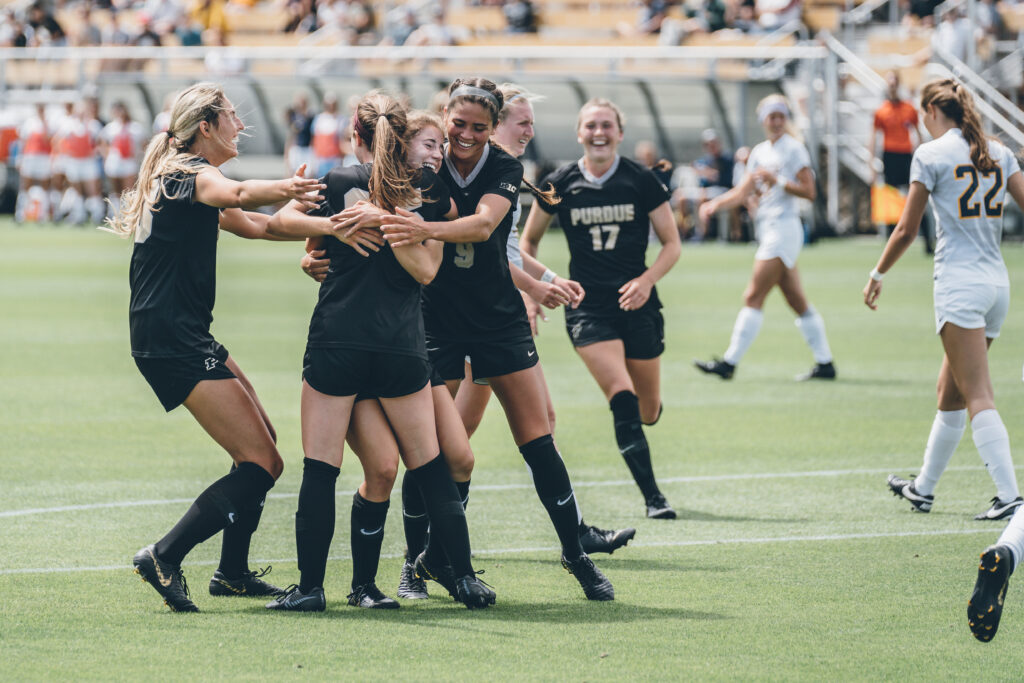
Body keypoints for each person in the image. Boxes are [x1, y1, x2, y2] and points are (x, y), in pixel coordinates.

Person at [379, 77, 616, 601]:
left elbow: (485, 227)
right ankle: (415, 565)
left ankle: (575, 557)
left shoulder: (507, 168)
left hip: (497, 322)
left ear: (492, 129)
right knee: (431, 452)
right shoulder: (424, 165)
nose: (464, 135)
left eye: (478, 128)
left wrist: (426, 230)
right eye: (456, 123)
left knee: (539, 442)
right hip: (434, 324)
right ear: (443, 116)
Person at [265, 92, 495, 612]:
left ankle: (310, 590)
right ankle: (460, 579)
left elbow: (276, 224)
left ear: (356, 134)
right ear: (401, 134)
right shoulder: (426, 188)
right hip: (400, 347)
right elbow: (429, 270)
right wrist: (351, 230)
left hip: (337, 340)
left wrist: (334, 227)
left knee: (321, 470)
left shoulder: (339, 181)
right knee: (430, 466)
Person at [108, 82, 326, 612]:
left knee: (262, 446)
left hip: (180, 333)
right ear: (204, 126)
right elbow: (240, 196)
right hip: (172, 338)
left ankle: (230, 573)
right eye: (232, 116)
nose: (241, 125)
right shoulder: (187, 172)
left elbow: (253, 225)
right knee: (262, 462)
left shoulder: (187, 178)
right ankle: (164, 555)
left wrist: (333, 229)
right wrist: (289, 187)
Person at [857, 79, 1024, 644]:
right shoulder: (998, 150)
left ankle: (1008, 494)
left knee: (977, 392)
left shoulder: (930, 153)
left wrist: (877, 273)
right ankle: (924, 488)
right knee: (950, 390)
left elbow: (906, 228)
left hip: (957, 284)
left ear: (931, 111)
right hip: (997, 283)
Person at [450, 85, 639, 556]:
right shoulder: (486, 172)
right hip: (477, 317)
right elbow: (483, 251)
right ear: (497, 126)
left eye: (532, 122)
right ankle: (435, 547)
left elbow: (507, 250)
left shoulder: (506, 172)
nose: (530, 130)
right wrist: (531, 290)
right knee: (456, 440)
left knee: (531, 424)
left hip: (502, 313)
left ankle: (574, 533)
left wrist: (551, 278)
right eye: (523, 122)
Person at [521, 97, 682, 520]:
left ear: (619, 133)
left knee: (648, 411)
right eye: (591, 125)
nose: (598, 132)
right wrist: (533, 290)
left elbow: (672, 243)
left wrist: (647, 281)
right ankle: (654, 498)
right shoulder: (559, 182)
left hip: (638, 303)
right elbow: (527, 243)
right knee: (622, 396)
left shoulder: (641, 179)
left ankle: (647, 416)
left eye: (606, 125)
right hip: (587, 306)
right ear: (579, 133)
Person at [694, 95, 836, 382]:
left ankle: (729, 363)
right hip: (769, 228)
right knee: (797, 301)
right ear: (763, 120)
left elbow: (809, 192)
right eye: (771, 116)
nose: (776, 121)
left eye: (781, 116)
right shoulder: (760, 152)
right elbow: (742, 191)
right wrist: (714, 205)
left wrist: (779, 181)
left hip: (783, 228)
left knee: (753, 295)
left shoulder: (794, 149)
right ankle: (825, 364)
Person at [870, 71, 931, 252]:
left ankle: (927, 241)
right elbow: (873, 136)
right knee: (890, 199)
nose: (892, 87)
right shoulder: (881, 110)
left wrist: (922, 155)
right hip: (890, 156)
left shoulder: (909, 108)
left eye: (895, 83)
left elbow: (918, 132)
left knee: (917, 196)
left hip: (906, 156)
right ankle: (891, 243)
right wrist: (871, 161)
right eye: (890, 83)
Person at [100, 101, 146, 218]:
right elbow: (102, 144)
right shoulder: (111, 127)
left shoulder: (135, 127)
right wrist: (107, 155)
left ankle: (128, 215)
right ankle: (114, 214)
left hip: (129, 163)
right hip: (114, 162)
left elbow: (144, 144)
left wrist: (138, 155)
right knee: (115, 191)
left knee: (129, 191)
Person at [15, 103, 52, 222]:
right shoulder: (29, 123)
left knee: (45, 185)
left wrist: (44, 124)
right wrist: (20, 158)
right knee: (25, 185)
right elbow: (23, 141)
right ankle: (20, 213)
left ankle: (43, 214)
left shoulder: (48, 123)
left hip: (44, 158)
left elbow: (49, 140)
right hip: (30, 157)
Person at [284, 93, 314, 177]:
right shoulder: (293, 116)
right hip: (296, 148)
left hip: (307, 148)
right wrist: (287, 154)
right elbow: (291, 135)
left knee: (307, 173)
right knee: (293, 173)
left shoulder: (311, 117)